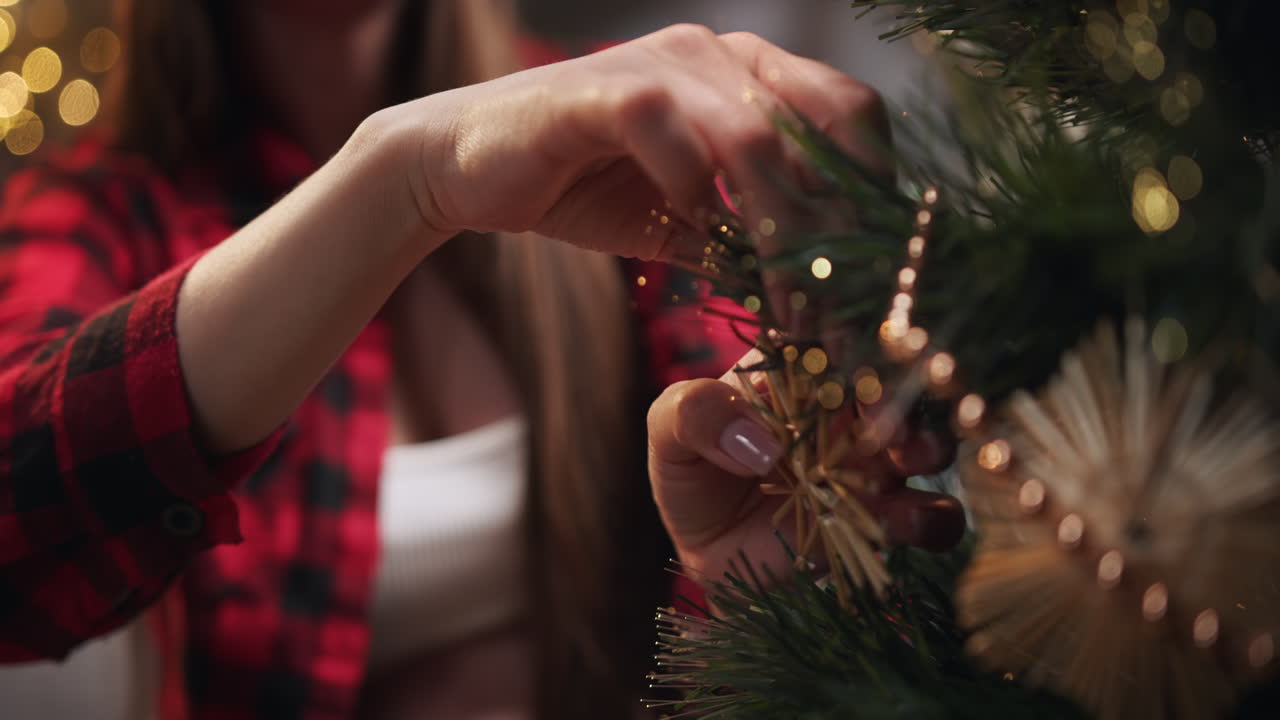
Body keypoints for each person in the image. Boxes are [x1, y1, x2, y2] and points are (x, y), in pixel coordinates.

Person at [0, 0, 963, 718]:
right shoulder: (105, 207)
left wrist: (752, 597)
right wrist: (402, 178)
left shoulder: (599, 124)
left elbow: (774, 534)